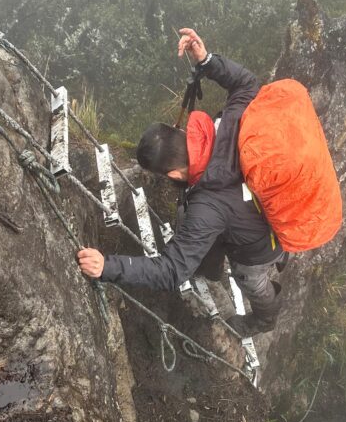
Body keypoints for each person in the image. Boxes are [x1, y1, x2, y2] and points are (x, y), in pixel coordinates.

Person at [76, 28, 284, 336]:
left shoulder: (207, 208)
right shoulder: (229, 120)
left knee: (253, 281)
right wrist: (206, 60)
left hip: (257, 249)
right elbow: (247, 83)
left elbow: (172, 271)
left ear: (173, 175)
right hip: (271, 205)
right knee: (226, 239)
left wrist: (107, 267)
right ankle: (267, 259)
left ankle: (265, 319)